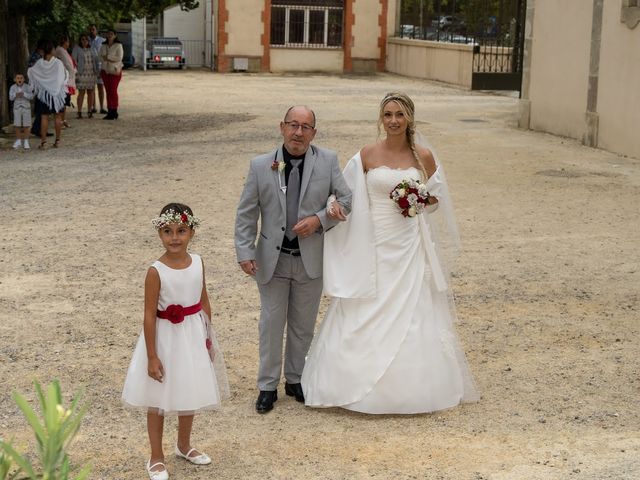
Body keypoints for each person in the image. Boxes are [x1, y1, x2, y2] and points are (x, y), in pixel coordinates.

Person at [301, 92, 480, 414]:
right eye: (387, 114)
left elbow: (437, 198)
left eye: (399, 114)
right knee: (365, 305)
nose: (393, 120)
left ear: (409, 117)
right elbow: (344, 193)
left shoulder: (423, 156)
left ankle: (413, 389)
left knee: (413, 309)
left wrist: (417, 201)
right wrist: (332, 206)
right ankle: (350, 384)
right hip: (372, 243)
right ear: (380, 118)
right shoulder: (367, 154)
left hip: (408, 245)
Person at [235, 106, 352, 414]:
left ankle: (296, 379)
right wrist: (245, 252)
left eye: (305, 127)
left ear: (314, 132)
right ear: (282, 127)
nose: (298, 132)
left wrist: (319, 220)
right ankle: (267, 386)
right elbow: (247, 213)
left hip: (310, 259)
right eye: (293, 125)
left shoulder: (327, 161)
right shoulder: (261, 165)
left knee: (302, 325)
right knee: (271, 324)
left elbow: (346, 199)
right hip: (271, 261)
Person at [122, 203, 229, 480]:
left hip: (192, 335)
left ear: (192, 231)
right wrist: (152, 355)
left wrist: (207, 337)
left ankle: (184, 445)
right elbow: (148, 315)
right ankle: (156, 456)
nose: (174, 238)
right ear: (159, 233)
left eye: (181, 231)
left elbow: (203, 299)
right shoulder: (155, 271)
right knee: (158, 400)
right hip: (165, 339)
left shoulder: (198, 262)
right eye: (168, 231)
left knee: (188, 389)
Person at [27, 40, 68, 149]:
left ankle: (44, 143)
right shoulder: (58, 63)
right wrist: (57, 88)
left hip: (44, 95)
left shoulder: (40, 63)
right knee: (57, 117)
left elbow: (31, 72)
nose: (55, 50)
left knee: (44, 117)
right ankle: (57, 141)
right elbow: (62, 77)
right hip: (56, 96)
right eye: (54, 49)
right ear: (50, 50)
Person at [72, 33, 99, 118]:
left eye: (86, 39)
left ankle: (90, 111)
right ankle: (79, 112)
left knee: (91, 92)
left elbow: (96, 60)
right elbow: (73, 60)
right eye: (82, 39)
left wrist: (97, 72)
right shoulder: (77, 48)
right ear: (80, 40)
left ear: (88, 41)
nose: (84, 41)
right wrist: (76, 72)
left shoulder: (92, 48)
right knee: (81, 93)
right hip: (81, 74)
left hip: (91, 73)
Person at [99, 29, 123, 120]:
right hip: (105, 71)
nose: (109, 35)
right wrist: (107, 59)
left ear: (115, 35)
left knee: (113, 90)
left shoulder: (118, 45)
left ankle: (114, 110)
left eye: (111, 34)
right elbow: (100, 57)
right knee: (108, 91)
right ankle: (110, 111)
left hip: (115, 71)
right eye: (108, 34)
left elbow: (119, 58)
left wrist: (108, 57)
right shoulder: (103, 45)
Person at [55, 34, 77, 128]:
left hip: (68, 78)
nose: (68, 43)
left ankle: (63, 120)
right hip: (64, 80)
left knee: (65, 101)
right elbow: (67, 64)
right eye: (67, 41)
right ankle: (60, 121)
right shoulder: (60, 50)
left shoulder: (64, 51)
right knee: (63, 102)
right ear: (64, 41)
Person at [9, 73, 34, 150]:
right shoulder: (12, 87)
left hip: (26, 107)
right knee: (17, 124)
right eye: (18, 78)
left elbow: (31, 96)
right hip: (17, 108)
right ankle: (18, 140)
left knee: (27, 124)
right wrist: (15, 95)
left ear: (24, 79)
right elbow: (10, 98)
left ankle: (26, 141)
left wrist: (24, 94)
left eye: (21, 78)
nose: (19, 79)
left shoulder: (27, 87)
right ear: (15, 80)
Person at [88, 24, 107, 114]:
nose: (92, 31)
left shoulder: (102, 41)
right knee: (92, 88)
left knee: (100, 87)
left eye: (93, 29)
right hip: (89, 67)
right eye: (90, 30)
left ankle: (102, 107)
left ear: (96, 30)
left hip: (100, 67)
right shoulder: (87, 40)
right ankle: (93, 107)